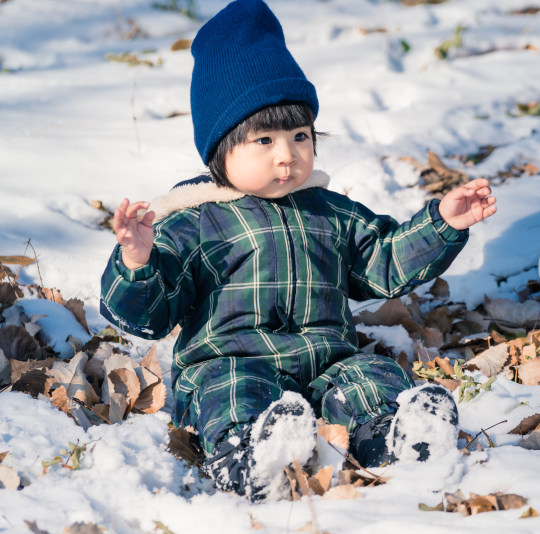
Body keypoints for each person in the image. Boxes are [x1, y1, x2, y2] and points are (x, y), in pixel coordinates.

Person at [100, 0, 497, 502]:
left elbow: (383, 262)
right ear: (219, 150)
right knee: (228, 390)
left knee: (371, 375)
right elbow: (149, 316)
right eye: (263, 139)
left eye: (300, 136)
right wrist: (138, 263)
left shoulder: (329, 212)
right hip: (234, 361)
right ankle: (250, 454)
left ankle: (397, 438)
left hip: (325, 361)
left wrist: (441, 224)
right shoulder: (195, 222)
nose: (287, 155)